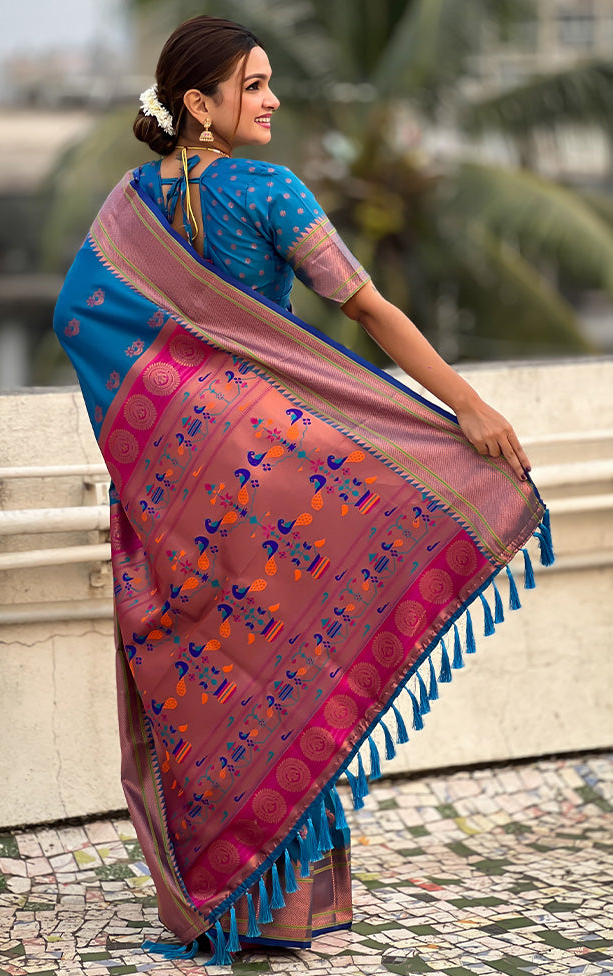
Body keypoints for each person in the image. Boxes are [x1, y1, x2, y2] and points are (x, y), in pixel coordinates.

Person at [54, 15, 552, 966]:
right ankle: (288, 913)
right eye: (255, 86)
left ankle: (220, 907)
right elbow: (363, 305)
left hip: (182, 491)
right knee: (291, 676)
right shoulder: (269, 189)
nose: (274, 100)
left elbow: (79, 317)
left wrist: (181, 421)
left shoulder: (126, 207)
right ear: (198, 106)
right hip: (280, 483)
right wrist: (469, 409)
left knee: (211, 683)